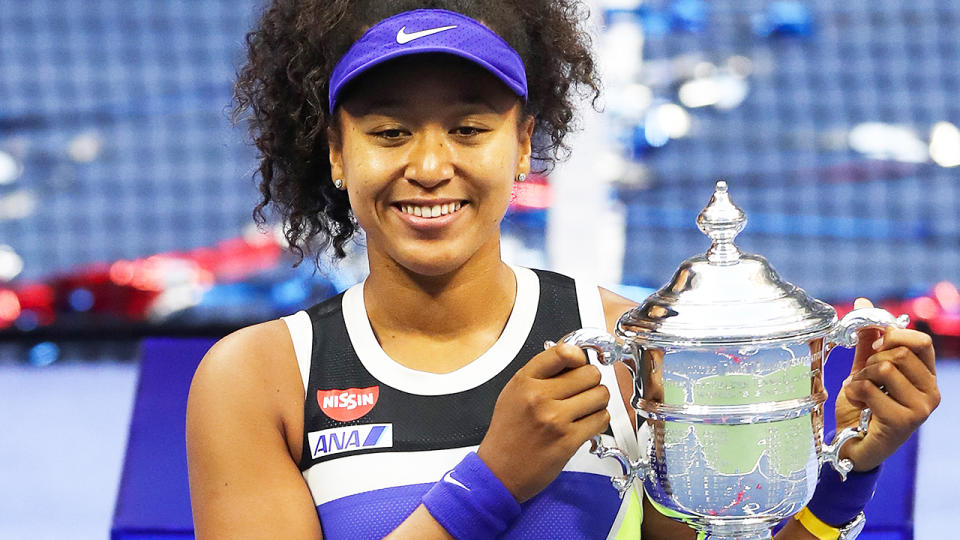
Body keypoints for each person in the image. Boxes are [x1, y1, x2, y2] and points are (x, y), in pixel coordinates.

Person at [185, 1, 941, 539]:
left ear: (522, 146)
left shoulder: (629, 345)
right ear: (335, 154)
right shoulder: (258, 380)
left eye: (469, 128)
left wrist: (847, 476)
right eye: (388, 132)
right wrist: (493, 483)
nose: (428, 165)